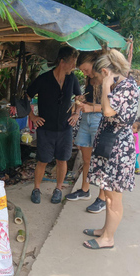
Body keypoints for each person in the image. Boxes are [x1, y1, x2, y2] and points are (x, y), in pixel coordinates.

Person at [83, 49, 139, 249]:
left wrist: (106, 84)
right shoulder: (122, 85)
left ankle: (108, 238)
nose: (95, 79)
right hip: (110, 145)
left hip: (118, 149)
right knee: (107, 193)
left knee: (114, 197)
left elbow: (107, 111)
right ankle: (105, 230)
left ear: (106, 72)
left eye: (98, 76)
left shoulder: (126, 87)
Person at [27, 46, 82, 204]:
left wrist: (77, 113)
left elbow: (79, 97)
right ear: (62, 61)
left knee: (62, 160)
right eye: (72, 62)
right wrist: (32, 116)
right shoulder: (44, 79)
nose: (74, 66)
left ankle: (58, 189)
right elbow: (26, 97)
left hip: (65, 128)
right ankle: (36, 189)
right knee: (42, 160)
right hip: (45, 129)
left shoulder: (72, 79)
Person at [65, 51, 107, 213]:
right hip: (87, 118)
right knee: (86, 158)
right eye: (82, 71)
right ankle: (85, 190)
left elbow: (111, 108)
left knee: (102, 161)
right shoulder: (90, 78)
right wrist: (83, 101)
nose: (84, 73)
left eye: (85, 69)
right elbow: (91, 99)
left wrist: (91, 107)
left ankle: (102, 198)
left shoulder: (107, 78)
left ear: (95, 63)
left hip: (100, 119)